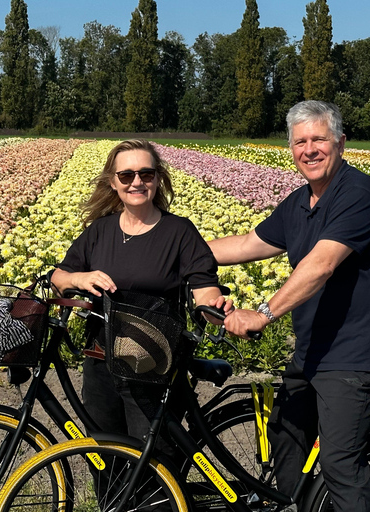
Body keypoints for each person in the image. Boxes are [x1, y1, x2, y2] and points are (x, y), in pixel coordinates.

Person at [209, 101, 370, 512]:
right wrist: (178, 256)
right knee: (286, 434)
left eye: (319, 139)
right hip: (314, 349)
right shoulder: (301, 202)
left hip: (356, 354)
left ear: (340, 143)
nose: (309, 149)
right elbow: (249, 244)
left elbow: (320, 265)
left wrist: (262, 313)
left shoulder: (358, 194)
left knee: (339, 461)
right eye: (300, 141)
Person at [49, 139, 231, 450]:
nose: (137, 182)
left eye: (146, 174)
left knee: (154, 465)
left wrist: (213, 305)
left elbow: (203, 285)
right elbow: (59, 277)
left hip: (153, 365)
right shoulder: (99, 231)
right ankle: (112, 502)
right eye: (127, 175)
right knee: (104, 457)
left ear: (158, 179)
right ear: (113, 181)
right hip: (101, 362)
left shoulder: (179, 233)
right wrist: (80, 277)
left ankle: (165, 501)